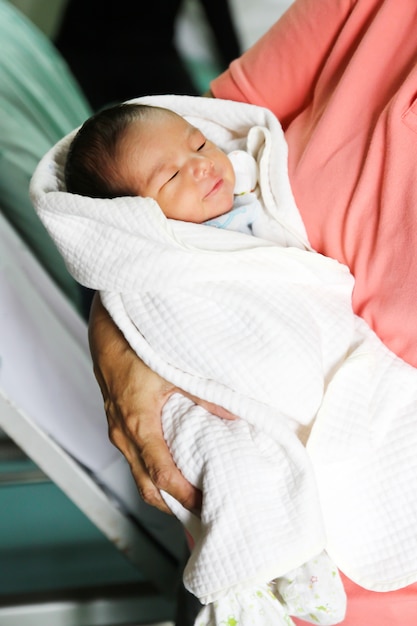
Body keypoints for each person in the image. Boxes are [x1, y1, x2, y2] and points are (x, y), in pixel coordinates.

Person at [84, 1, 417, 625]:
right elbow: (150, 156)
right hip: (234, 402)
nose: (203, 164)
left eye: (200, 154)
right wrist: (121, 345)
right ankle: (250, 575)